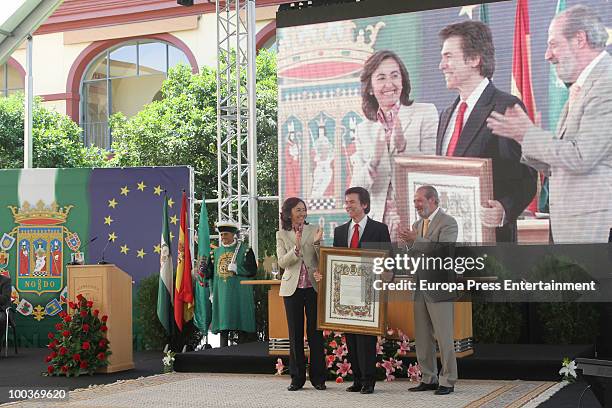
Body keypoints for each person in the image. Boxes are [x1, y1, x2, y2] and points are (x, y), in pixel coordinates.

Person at [486, 5, 612, 244]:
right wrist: (521, 139)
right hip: (571, 227)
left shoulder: (607, 83)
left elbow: (581, 156)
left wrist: (528, 134)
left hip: (592, 229)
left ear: (580, 40)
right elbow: (563, 165)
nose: (547, 55)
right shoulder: (583, 88)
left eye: (554, 44)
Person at [437, 21, 536, 243]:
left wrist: (503, 209)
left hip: (491, 245)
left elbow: (527, 178)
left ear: (474, 59)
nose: (441, 65)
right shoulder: (446, 115)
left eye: (448, 56)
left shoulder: (505, 107)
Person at [351, 50, 438, 239]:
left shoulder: (426, 112)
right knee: (381, 270)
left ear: (403, 81)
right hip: (377, 224)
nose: (389, 84)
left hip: (416, 220)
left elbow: (433, 170)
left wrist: (404, 149)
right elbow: (356, 190)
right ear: (370, 88)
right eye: (381, 78)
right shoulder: (363, 129)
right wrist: (373, 162)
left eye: (395, 76)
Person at [399, 186, 458, 395]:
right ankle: (429, 377)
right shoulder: (417, 225)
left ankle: (448, 380)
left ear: (433, 200)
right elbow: (414, 257)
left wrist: (415, 240)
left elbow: (443, 252)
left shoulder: (448, 222)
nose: (416, 205)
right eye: (415, 201)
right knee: (423, 337)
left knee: (444, 336)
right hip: (419, 287)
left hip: (439, 287)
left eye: (419, 200)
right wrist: (406, 244)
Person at [332, 187, 391, 394]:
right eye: (346, 202)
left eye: (352, 202)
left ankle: (368, 380)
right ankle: (357, 379)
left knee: (366, 338)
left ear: (364, 204)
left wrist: (386, 273)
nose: (348, 205)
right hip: (346, 293)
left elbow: (388, 259)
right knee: (350, 337)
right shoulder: (340, 231)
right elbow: (335, 263)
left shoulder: (380, 228)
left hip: (370, 292)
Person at [276, 197, 326, 391]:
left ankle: (319, 378)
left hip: (313, 287)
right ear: (289, 213)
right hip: (292, 290)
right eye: (298, 210)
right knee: (295, 335)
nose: (302, 213)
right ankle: (297, 379)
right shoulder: (281, 234)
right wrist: (296, 249)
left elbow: (322, 257)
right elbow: (282, 262)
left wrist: (317, 244)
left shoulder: (314, 230)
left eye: (304, 210)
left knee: (316, 334)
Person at [206, 221, 257, 347]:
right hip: (222, 295)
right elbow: (209, 274)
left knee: (242, 325)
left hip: (241, 294)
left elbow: (253, 271)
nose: (223, 237)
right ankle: (223, 355)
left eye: (226, 234)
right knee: (224, 327)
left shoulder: (246, 250)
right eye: (221, 235)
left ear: (233, 234)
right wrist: (210, 290)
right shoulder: (214, 253)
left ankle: (243, 354)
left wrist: (238, 269)